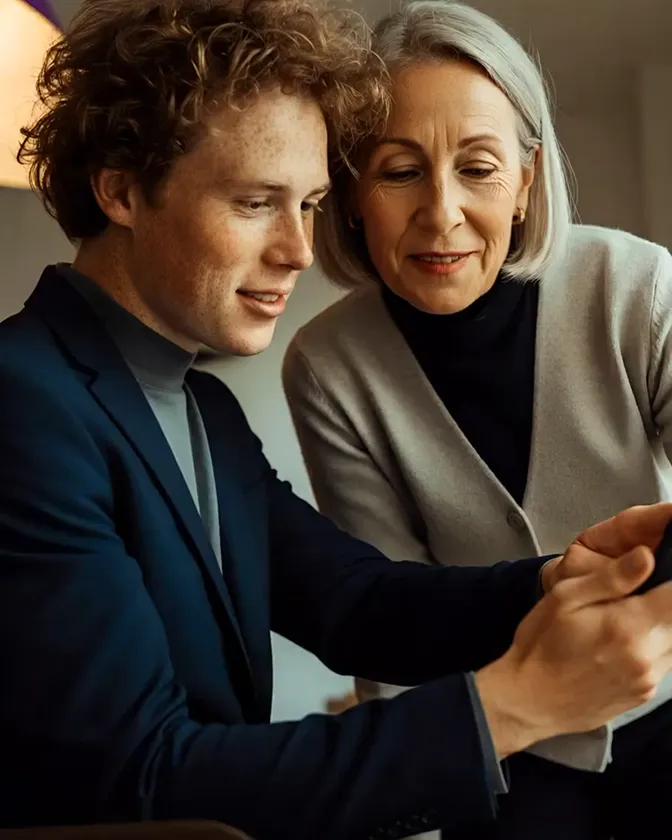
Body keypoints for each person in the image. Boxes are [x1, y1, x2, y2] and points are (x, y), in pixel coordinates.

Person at [2, 1, 672, 839]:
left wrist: (556, 581)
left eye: (311, 204)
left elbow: (357, 603)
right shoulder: (22, 401)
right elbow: (142, 778)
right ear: (122, 190)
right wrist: (516, 707)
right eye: (256, 202)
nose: (297, 250)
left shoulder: (203, 407)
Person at [282, 0, 672, 837]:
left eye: (479, 167)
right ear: (349, 195)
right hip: (507, 745)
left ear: (527, 180)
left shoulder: (638, 287)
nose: (442, 212)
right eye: (398, 171)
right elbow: (387, 611)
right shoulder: (327, 365)